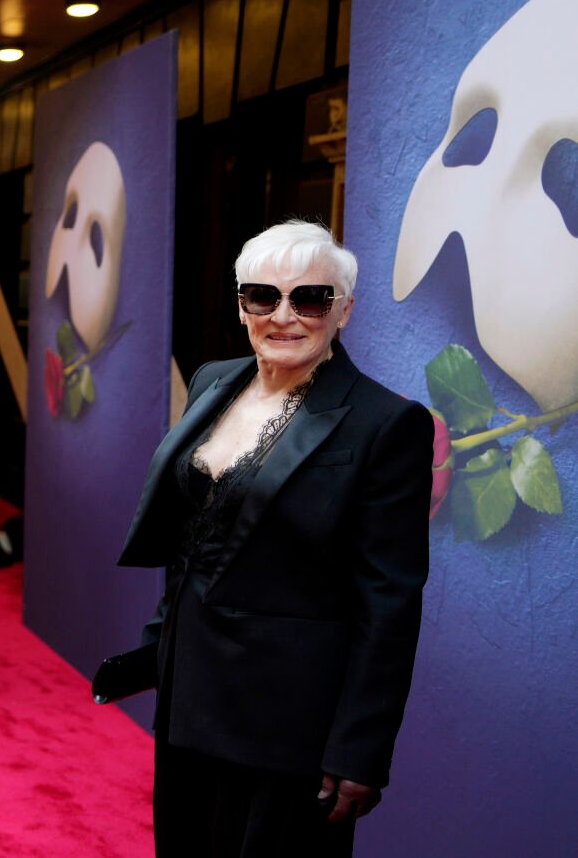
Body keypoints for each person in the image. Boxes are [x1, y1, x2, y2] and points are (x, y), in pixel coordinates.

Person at [114, 221, 431, 857]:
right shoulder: (212, 381)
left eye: (310, 298)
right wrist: (159, 643)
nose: (283, 316)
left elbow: (389, 604)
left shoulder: (387, 424)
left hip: (290, 721)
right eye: (263, 296)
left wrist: (360, 749)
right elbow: (193, 533)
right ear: (242, 306)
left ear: (344, 310)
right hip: (189, 693)